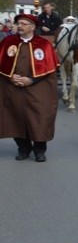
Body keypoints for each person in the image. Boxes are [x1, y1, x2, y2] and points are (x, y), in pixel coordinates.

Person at [0, 14, 60, 162]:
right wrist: (10, 76)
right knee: (15, 117)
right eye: (18, 23)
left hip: (38, 88)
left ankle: (39, 149)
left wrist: (31, 80)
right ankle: (23, 148)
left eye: (23, 23)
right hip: (13, 88)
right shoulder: (8, 42)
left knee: (39, 118)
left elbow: (50, 69)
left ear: (32, 27)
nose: (19, 26)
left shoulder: (43, 44)